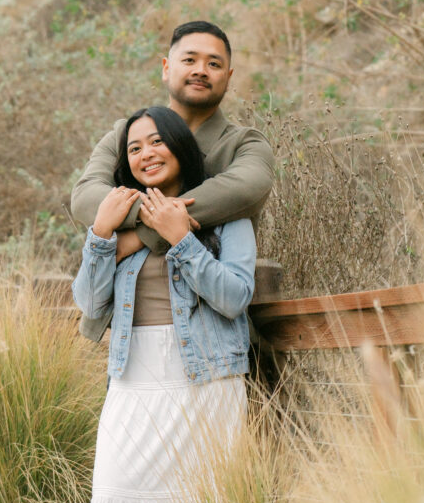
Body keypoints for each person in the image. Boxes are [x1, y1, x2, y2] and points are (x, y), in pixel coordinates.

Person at [71, 105, 256, 503]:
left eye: (157, 142)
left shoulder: (224, 217)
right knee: (120, 498)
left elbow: (234, 297)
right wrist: (100, 238)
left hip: (207, 379)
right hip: (134, 378)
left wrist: (182, 240)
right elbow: (88, 311)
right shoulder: (120, 219)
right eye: (134, 148)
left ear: (180, 147)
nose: (146, 153)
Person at [70, 20, 274, 342]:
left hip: (211, 337)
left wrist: (141, 234)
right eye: (190, 60)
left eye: (214, 63)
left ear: (229, 77)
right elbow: (85, 197)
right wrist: (149, 216)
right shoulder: (127, 134)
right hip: (127, 337)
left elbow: (247, 189)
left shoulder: (244, 143)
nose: (201, 70)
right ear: (166, 68)